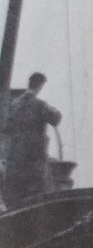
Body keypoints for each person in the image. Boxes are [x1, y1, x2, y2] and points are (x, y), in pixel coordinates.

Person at [1, 72, 62, 205]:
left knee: (14, 200)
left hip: (15, 161)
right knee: (39, 198)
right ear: (40, 85)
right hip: (33, 160)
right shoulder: (40, 105)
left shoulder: (14, 105)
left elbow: (6, 128)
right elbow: (56, 118)